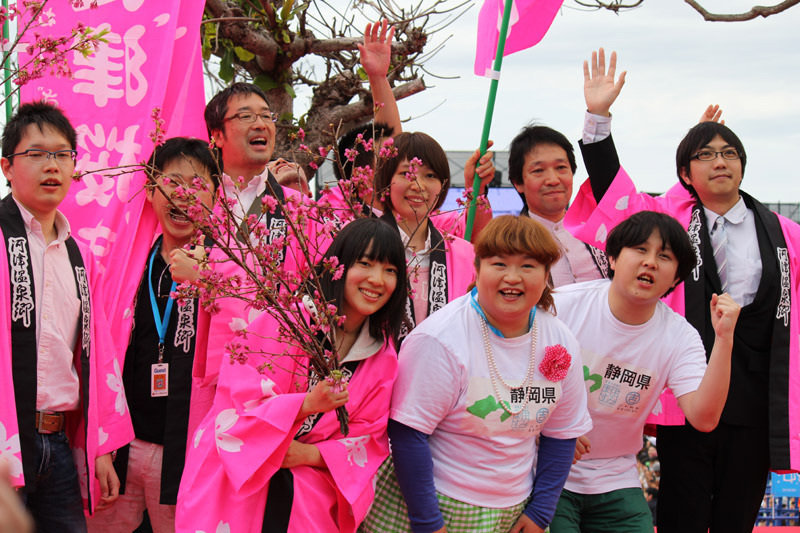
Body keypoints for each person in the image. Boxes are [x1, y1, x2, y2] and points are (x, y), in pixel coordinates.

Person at [564, 47, 800, 532]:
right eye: (705, 154)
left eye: (729, 153)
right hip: (687, 388)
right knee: (681, 515)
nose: (720, 162)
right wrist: (598, 118)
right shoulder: (667, 224)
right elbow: (615, 191)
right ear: (686, 175)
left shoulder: (787, 234)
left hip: (758, 394)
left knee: (737, 516)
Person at [361, 215, 592, 533]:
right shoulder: (440, 339)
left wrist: (540, 512)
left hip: (515, 509)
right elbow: (408, 434)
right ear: (478, 268)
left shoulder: (560, 339)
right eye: (499, 264)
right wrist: (429, 524)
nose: (513, 278)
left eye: (528, 266)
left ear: (546, 274)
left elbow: (563, 434)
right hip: (433, 503)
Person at [175, 217, 407, 532]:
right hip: (238, 480)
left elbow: (369, 436)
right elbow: (237, 401)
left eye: (390, 270)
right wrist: (306, 405)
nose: (377, 280)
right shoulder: (284, 322)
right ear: (336, 267)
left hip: (310, 493)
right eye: (365, 263)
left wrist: (308, 454)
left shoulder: (383, 354)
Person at [549, 211, 740, 532]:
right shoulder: (560, 306)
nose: (650, 262)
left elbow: (704, 418)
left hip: (617, 477)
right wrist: (556, 428)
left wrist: (724, 339)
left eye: (664, 256)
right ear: (611, 257)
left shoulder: (680, 337)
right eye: (640, 249)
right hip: (549, 468)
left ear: (676, 278)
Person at [0, 101, 133, 531]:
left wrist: (100, 449)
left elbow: (99, 356)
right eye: (36, 154)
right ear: (6, 166)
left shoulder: (81, 257)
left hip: (56, 443)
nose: (51, 166)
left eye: (62, 154)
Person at [86, 138, 219, 532]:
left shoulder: (230, 270)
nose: (183, 196)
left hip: (189, 452)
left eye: (198, 185)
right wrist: (101, 445)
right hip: (122, 446)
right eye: (173, 182)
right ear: (149, 189)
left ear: (217, 194)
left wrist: (212, 284)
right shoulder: (127, 263)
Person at [372, 131, 477, 337]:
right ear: (386, 179)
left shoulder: (465, 254)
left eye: (430, 176)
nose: (418, 186)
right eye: (405, 174)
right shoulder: (363, 246)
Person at [509, 125, 612, 286]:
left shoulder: (599, 232)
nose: (553, 180)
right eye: (538, 171)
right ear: (518, 183)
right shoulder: (510, 244)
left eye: (561, 168)